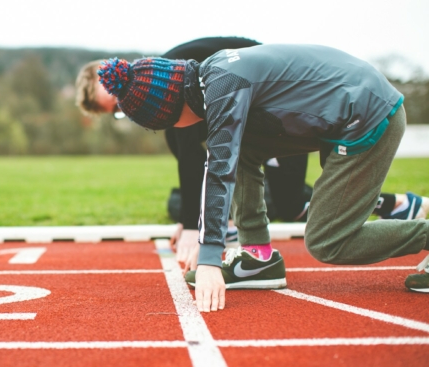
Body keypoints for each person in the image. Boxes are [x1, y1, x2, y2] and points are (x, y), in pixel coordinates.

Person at [96, 44, 429, 312]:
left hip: (369, 116)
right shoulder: (214, 75)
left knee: (329, 240)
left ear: (169, 112)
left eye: (159, 125)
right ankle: (258, 258)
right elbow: (227, 154)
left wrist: (210, 258)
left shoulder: (224, 87)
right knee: (238, 149)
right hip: (345, 109)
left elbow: (219, 170)